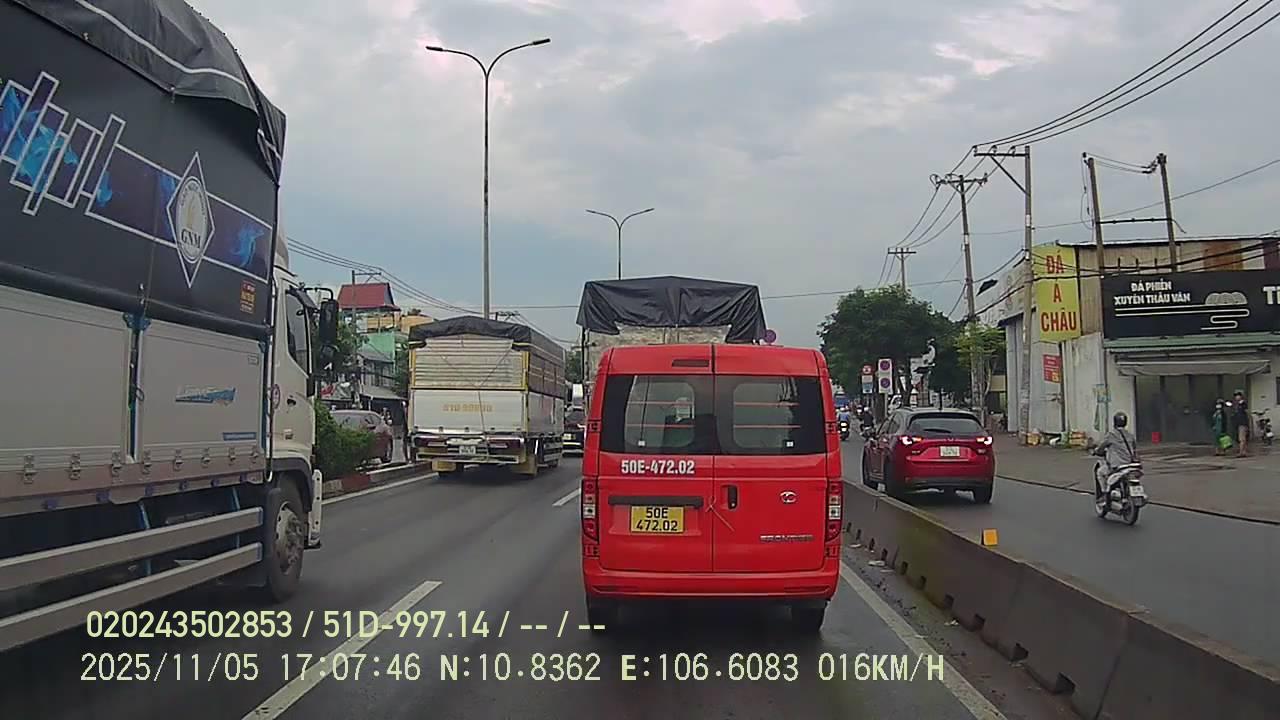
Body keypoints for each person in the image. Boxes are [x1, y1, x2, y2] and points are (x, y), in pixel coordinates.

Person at [1094, 411, 1139, 495]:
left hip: (1117, 466)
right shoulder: (1130, 435)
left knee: (1100, 472)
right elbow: (1134, 448)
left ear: (1114, 422)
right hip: (1130, 465)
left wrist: (1096, 451)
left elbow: (1101, 447)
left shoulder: (1111, 435)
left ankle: (1105, 493)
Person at [1231, 390, 1249, 457]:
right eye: (1235, 396)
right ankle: (1243, 451)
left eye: (1237, 396)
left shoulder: (1243, 404)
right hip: (1238, 423)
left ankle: (1242, 452)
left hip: (1242, 423)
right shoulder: (1236, 405)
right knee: (1240, 438)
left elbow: (1247, 413)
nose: (1236, 397)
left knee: (1242, 438)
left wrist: (1247, 422)